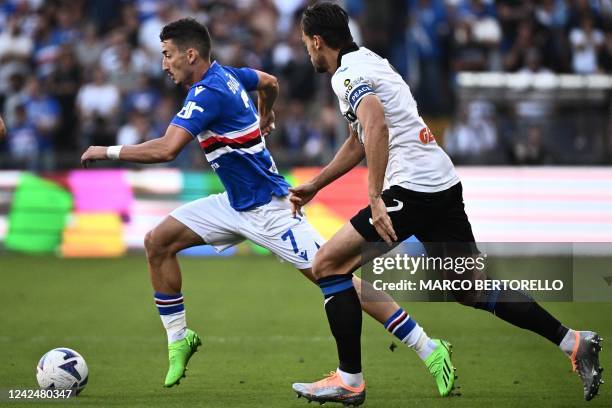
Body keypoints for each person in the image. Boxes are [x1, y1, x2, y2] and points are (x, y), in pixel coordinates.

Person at [80, 18, 454, 393]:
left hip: (272, 211)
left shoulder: (207, 93)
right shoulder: (229, 75)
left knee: (340, 278)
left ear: (190, 54)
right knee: (157, 242)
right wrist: (266, 112)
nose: (164, 64)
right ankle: (179, 338)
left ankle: (429, 348)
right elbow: (269, 82)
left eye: (168, 55)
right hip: (233, 204)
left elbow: (166, 148)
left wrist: (107, 151)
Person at [290, 3, 603, 406]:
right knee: (469, 288)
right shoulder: (369, 61)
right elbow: (359, 139)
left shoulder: (348, 74)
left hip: (412, 188)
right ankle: (573, 341)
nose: (306, 52)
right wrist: (315, 184)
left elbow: (376, 126)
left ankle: (350, 379)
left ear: (317, 41)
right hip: (441, 182)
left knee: (327, 266)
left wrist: (375, 199)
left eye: (305, 44)